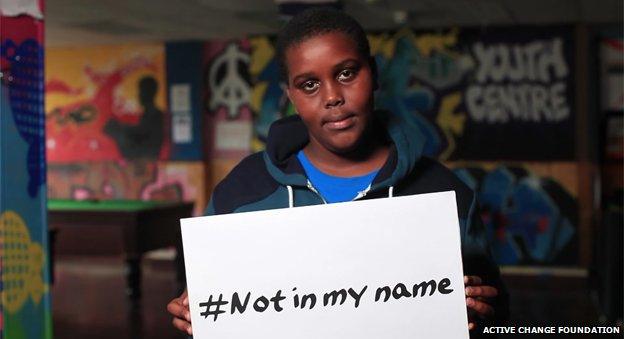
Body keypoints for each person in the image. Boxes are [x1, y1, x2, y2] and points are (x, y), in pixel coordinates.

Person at [167, 7, 509, 337]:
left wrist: (479, 313)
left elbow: (498, 316)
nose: (332, 97)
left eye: (346, 73)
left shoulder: (444, 194)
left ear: (373, 73)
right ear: (291, 96)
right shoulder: (241, 191)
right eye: (309, 85)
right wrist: (192, 314)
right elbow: (213, 304)